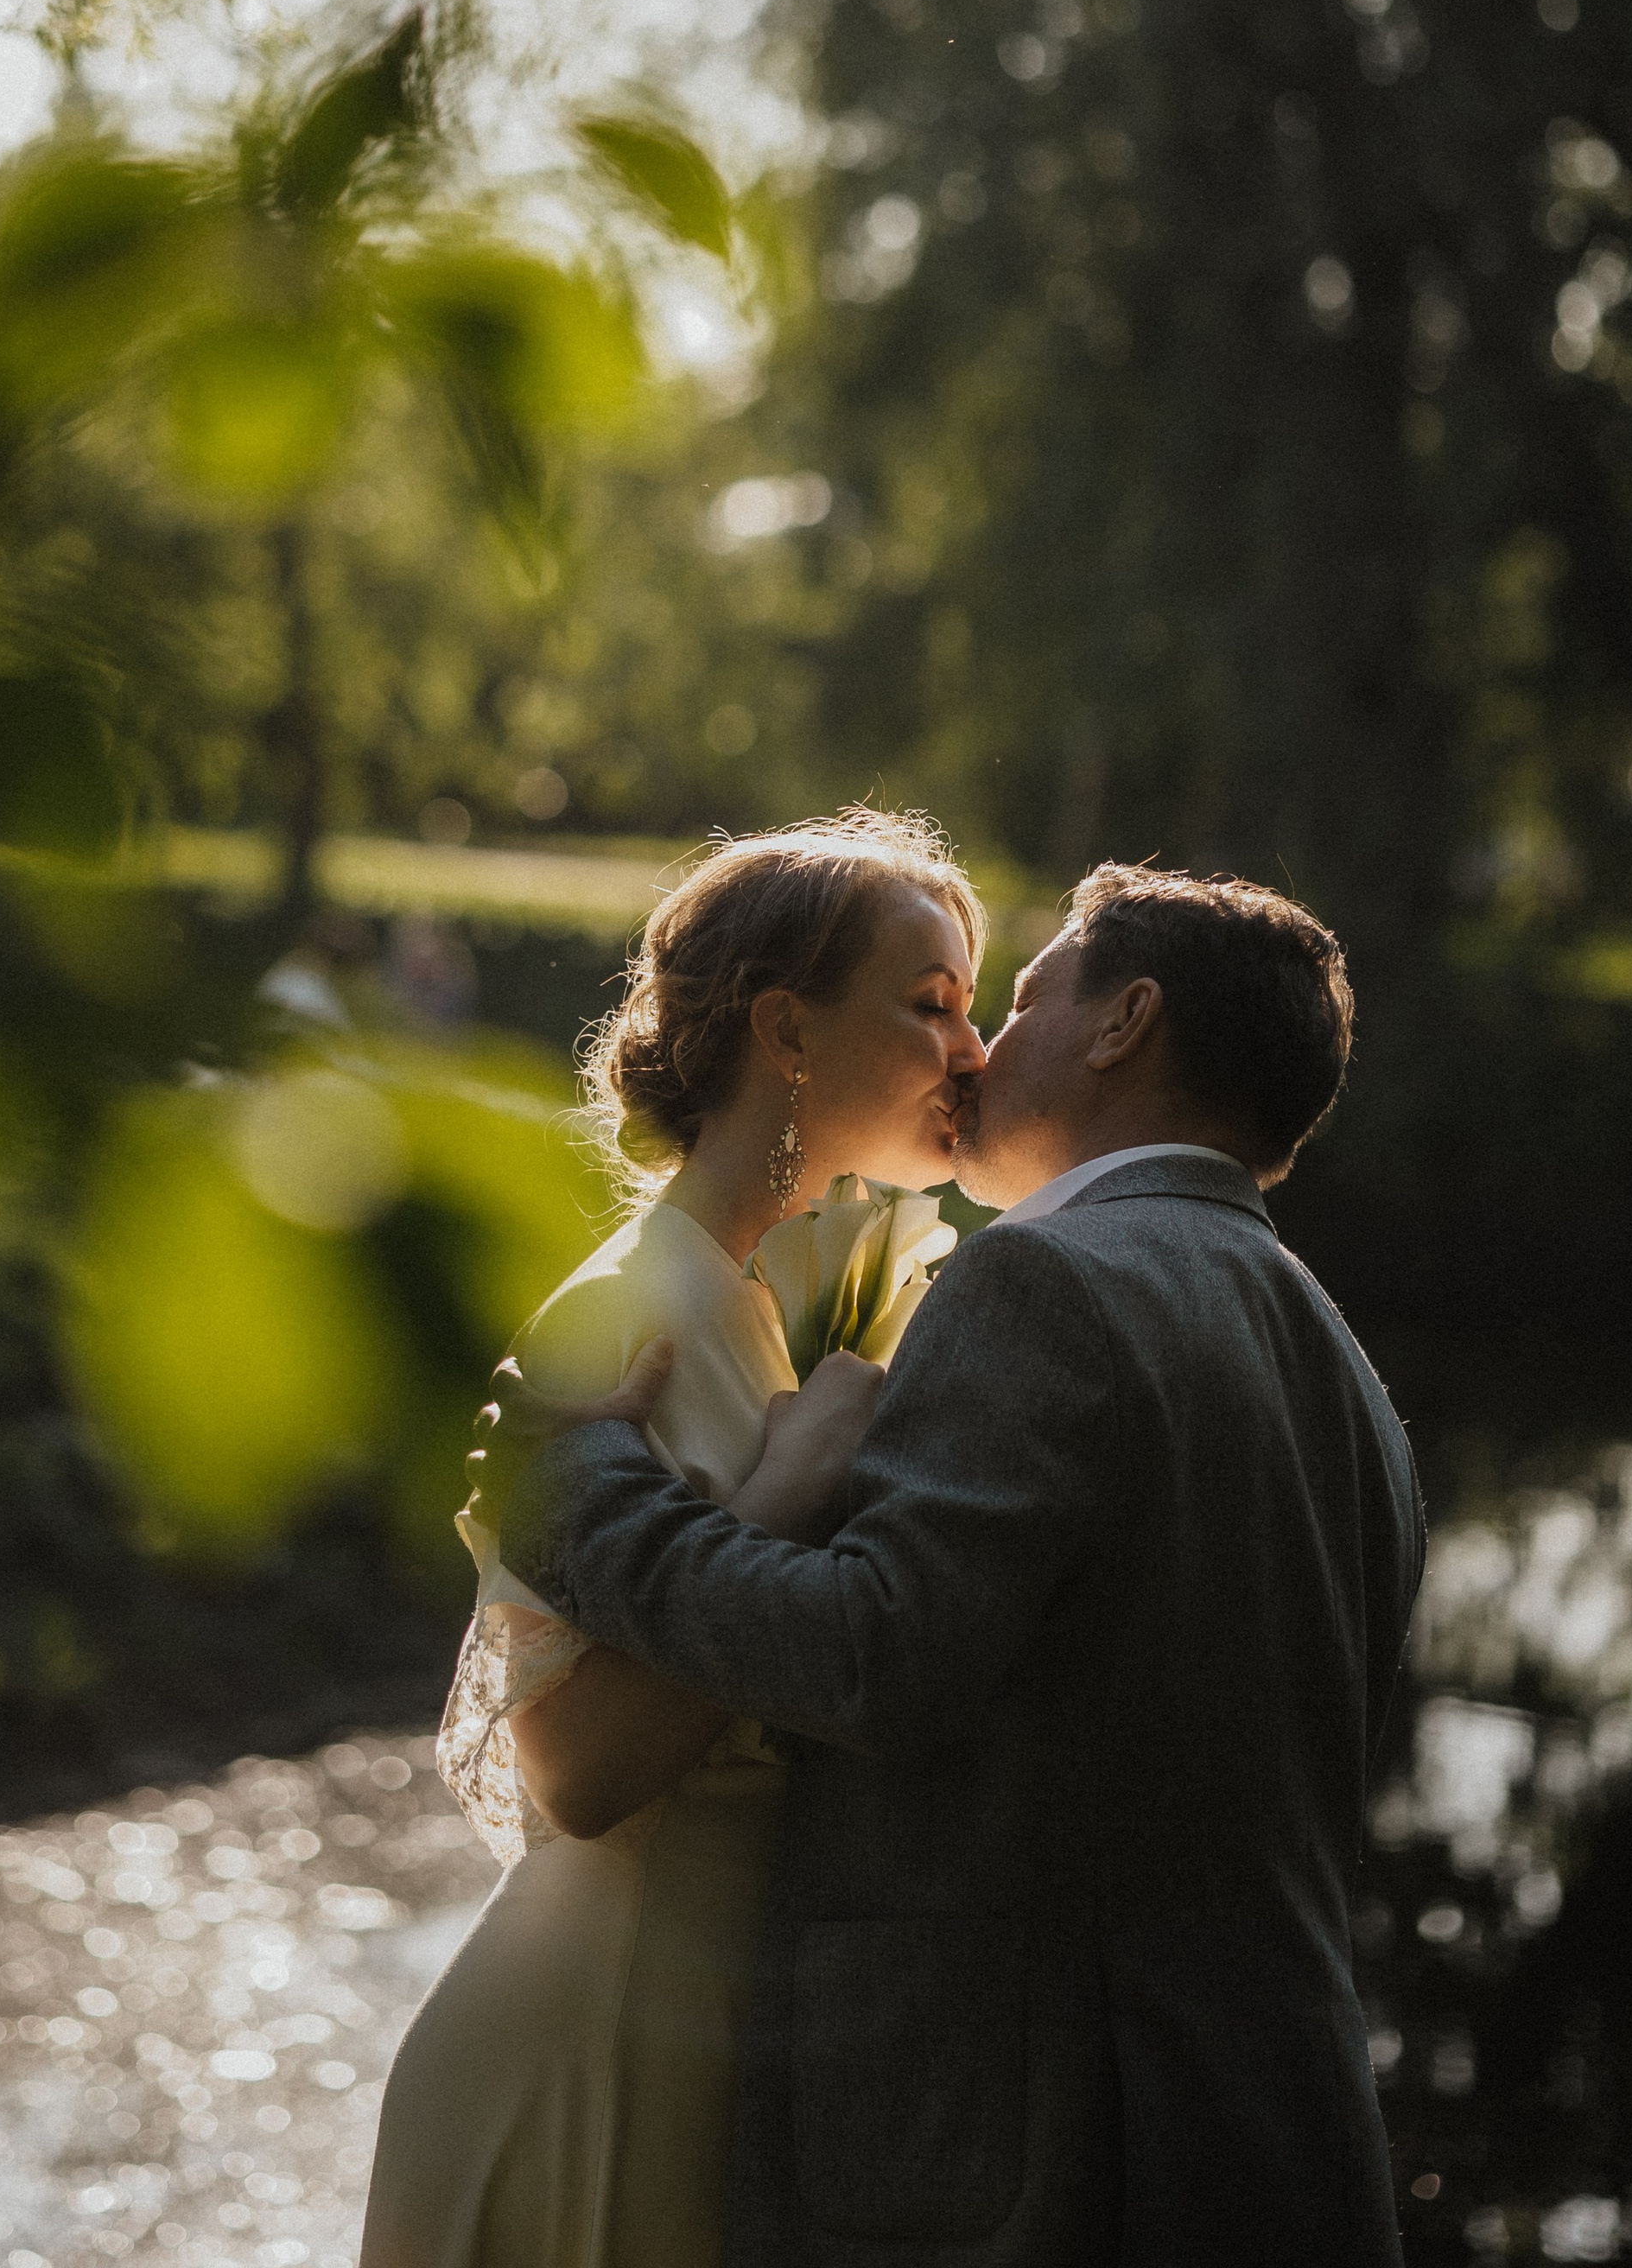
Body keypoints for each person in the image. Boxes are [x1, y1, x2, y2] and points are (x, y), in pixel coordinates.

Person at [488, 861, 1426, 2268]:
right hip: (1278, 2144)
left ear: (1126, 1025)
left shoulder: (1046, 1285)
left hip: (1031, 2166)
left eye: (1028, 995)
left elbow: (871, 1653)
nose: (986, 1046)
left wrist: (586, 1501)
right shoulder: (1342, 1364)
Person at [359, 808, 992, 2268]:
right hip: (592, 2038)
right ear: (786, 1028)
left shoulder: (750, 1297)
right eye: (931, 1004)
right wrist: (789, 1488)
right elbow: (575, 1774)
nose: (973, 1049)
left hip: (709, 2031)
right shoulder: (622, 1314)